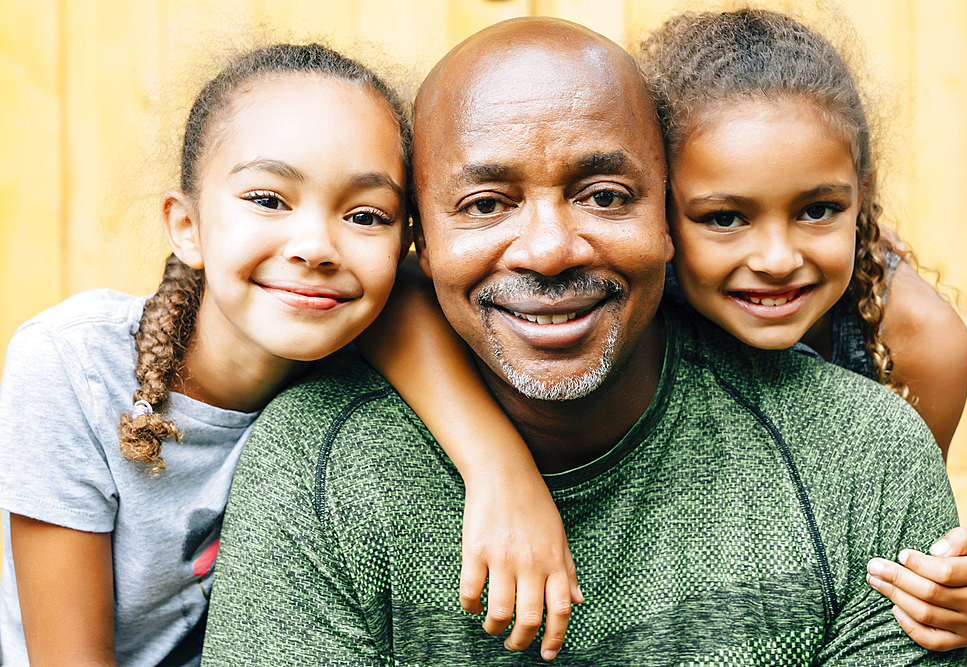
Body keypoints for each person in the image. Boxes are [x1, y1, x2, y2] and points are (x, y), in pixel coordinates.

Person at [202, 17, 967, 665]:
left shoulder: (861, 449)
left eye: (604, 195)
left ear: (667, 219)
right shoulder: (314, 468)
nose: (548, 249)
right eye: (485, 203)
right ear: (419, 243)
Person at [0, 42, 579, 666]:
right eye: (268, 199)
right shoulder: (71, 366)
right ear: (186, 226)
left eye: (365, 215)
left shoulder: (367, 349)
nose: (315, 247)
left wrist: (503, 476)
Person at [635, 8, 967, 650]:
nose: (777, 259)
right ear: (661, 205)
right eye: (724, 218)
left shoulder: (919, 343)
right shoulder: (631, 299)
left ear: (863, 194)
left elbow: (883, 560)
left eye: (818, 210)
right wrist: (501, 471)